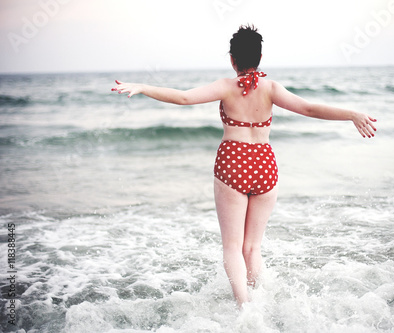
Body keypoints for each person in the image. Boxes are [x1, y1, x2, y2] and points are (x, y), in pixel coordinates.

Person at [112, 24, 377, 308]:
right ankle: (261, 301)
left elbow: (184, 97)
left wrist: (142, 87)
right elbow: (310, 109)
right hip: (265, 165)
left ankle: (244, 308)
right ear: (260, 57)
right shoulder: (272, 88)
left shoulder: (226, 87)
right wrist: (352, 114)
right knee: (252, 247)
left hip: (233, 162)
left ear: (231, 59)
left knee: (232, 247)